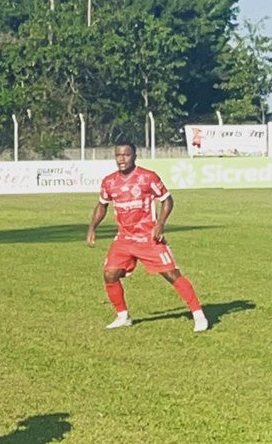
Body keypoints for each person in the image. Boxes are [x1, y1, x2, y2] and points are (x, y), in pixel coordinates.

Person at [86, 142, 208, 332]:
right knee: (110, 274)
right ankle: (123, 316)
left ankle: (198, 315)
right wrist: (92, 228)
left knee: (171, 273)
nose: (122, 159)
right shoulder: (109, 182)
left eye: (126, 155)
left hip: (148, 237)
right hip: (125, 238)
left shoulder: (147, 177)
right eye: (118, 155)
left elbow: (167, 200)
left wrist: (160, 224)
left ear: (134, 156)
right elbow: (102, 205)